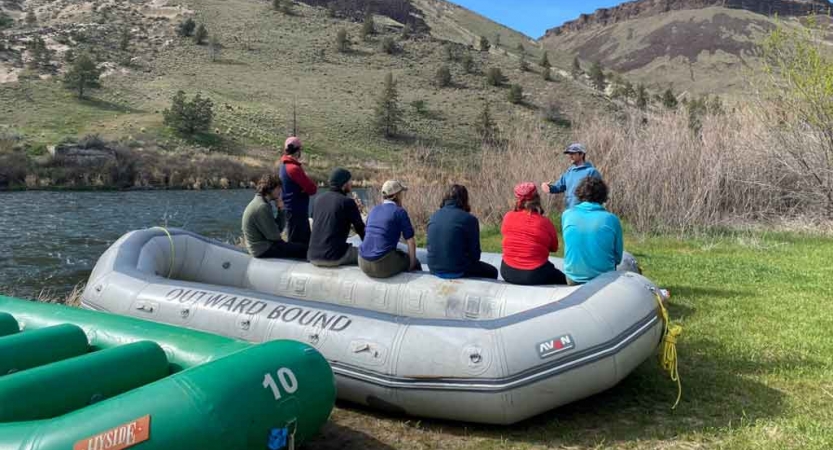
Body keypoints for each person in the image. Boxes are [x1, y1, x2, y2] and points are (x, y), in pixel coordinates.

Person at [500, 182, 567, 285]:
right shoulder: (545, 222)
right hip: (534, 274)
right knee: (564, 281)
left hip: (507, 271)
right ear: (537, 199)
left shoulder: (508, 217)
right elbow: (554, 247)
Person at [427, 184, 498, 279]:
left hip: (433, 267)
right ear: (465, 200)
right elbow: (475, 256)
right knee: (493, 272)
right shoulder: (470, 220)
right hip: (458, 269)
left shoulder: (433, 216)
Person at [562, 177, 623, 285]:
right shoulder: (612, 219)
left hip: (573, 278)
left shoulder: (567, 215)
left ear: (580, 194)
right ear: (603, 196)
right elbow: (618, 258)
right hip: (604, 281)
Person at [359, 180, 422, 278]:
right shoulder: (400, 212)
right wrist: (412, 266)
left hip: (362, 262)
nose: (402, 196)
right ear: (396, 195)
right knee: (415, 262)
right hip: (382, 265)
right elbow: (411, 242)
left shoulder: (374, 210)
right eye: (401, 193)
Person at [307, 168, 366, 267]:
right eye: (349, 181)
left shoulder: (318, 200)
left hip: (312, 256)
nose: (351, 183)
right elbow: (361, 230)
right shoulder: (347, 202)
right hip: (334, 257)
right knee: (369, 255)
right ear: (344, 184)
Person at [242, 174, 308, 260]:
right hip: (262, 250)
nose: (280, 191)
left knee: (298, 246)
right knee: (304, 249)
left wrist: (281, 209)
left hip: (263, 246)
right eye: (278, 188)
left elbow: (277, 231)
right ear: (270, 188)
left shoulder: (262, 202)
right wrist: (281, 210)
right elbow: (275, 236)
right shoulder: (262, 206)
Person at [279, 136, 317, 246]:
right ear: (298, 151)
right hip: (297, 211)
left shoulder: (283, 165)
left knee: (294, 240)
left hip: (289, 209)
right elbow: (312, 189)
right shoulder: (294, 168)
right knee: (300, 244)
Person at [541, 143, 603, 210]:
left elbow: (599, 193)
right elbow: (559, 187)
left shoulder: (591, 172)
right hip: (570, 211)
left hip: (587, 212)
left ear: (581, 154)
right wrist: (548, 187)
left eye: (573, 153)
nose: (570, 156)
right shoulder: (569, 172)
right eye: (569, 154)